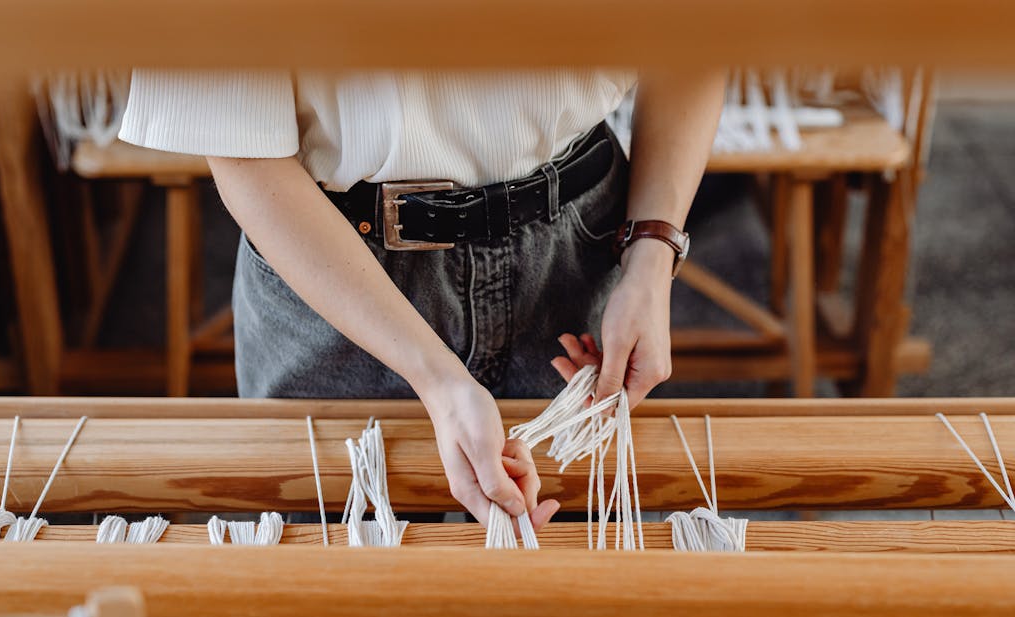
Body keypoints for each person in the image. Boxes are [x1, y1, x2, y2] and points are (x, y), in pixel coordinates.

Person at [118, 68, 725, 529]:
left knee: (576, 579)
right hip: (334, 272)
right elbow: (244, 152)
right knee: (333, 579)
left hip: (579, 247)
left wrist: (652, 248)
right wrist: (438, 379)